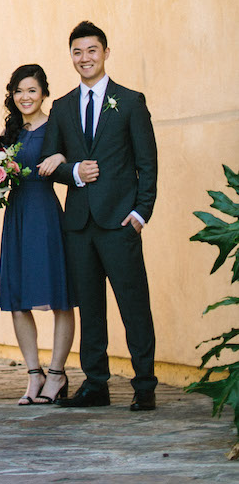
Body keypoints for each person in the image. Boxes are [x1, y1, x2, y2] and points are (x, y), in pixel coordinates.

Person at [40, 21, 158, 410]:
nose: (84, 58)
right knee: (90, 308)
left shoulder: (130, 101)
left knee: (133, 305)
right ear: (71, 56)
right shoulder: (61, 107)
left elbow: (147, 163)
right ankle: (96, 384)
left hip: (120, 222)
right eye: (77, 51)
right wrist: (74, 171)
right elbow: (50, 162)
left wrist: (141, 213)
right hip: (78, 225)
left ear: (105, 53)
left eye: (91, 50)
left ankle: (144, 384)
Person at [0, 64, 75, 404]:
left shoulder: (57, 126)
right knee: (17, 300)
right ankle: (34, 374)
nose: (25, 97)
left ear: (44, 93)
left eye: (31, 90)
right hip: (16, 214)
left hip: (45, 214)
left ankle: (57, 373)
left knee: (60, 297)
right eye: (19, 91)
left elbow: (74, 160)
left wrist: (61, 155)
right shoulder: (9, 133)